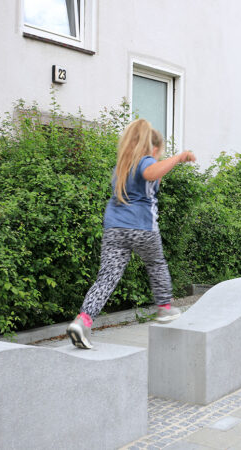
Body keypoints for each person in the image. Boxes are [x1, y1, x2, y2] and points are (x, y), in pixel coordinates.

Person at [67, 119, 196, 349]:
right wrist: (178, 157)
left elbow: (149, 179)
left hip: (115, 228)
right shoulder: (145, 161)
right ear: (152, 148)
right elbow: (150, 172)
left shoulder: (122, 166)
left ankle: (83, 321)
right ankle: (165, 307)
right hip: (142, 228)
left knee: (107, 277)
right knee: (156, 263)